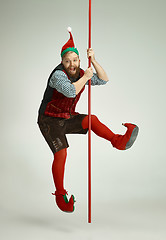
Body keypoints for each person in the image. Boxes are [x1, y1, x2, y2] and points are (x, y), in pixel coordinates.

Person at [38, 28, 139, 213]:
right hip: (49, 120)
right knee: (61, 154)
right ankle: (60, 195)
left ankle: (119, 141)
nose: (72, 64)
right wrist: (85, 76)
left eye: (75, 60)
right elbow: (70, 91)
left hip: (67, 116)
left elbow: (104, 79)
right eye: (67, 61)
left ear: (79, 60)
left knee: (91, 119)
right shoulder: (58, 75)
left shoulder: (81, 72)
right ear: (62, 61)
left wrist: (94, 60)